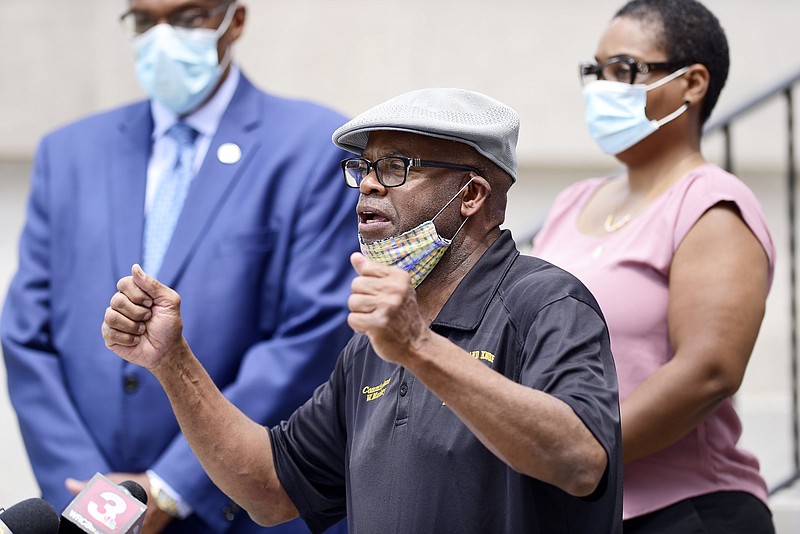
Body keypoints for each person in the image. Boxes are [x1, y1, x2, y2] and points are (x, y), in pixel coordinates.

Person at [101, 87, 624, 533]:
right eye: (364, 167)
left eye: (397, 167)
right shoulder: (372, 345)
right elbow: (270, 489)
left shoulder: (546, 302)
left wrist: (420, 350)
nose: (369, 183)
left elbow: (579, 462)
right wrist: (173, 362)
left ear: (471, 194)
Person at [1, 1, 357, 532]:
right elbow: (27, 335)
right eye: (145, 21)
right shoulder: (69, 153)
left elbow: (310, 336)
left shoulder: (313, 148)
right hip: (90, 513)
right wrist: (104, 502)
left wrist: (169, 488)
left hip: (245, 512)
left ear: (234, 20)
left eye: (189, 17)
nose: (162, 38)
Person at [531, 0, 776, 532]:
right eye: (594, 72)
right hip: (581, 514)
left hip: (684, 512)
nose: (601, 88)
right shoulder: (574, 202)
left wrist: (583, 453)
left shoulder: (711, 203)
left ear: (691, 84)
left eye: (625, 70)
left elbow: (709, 372)